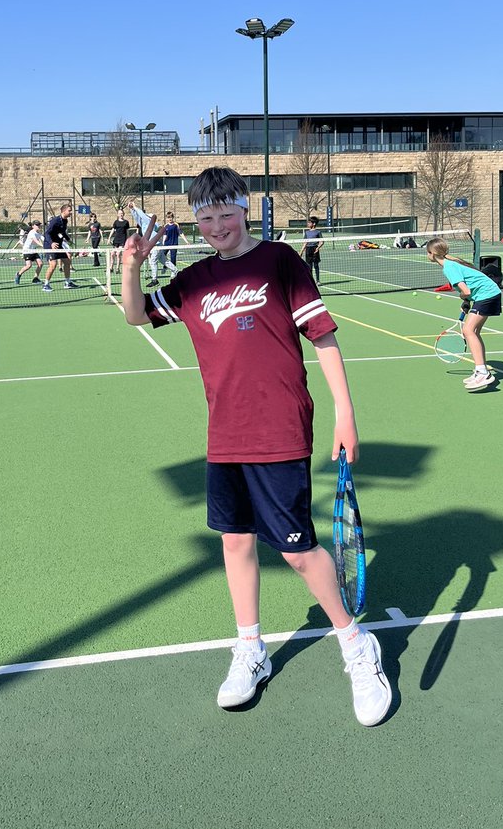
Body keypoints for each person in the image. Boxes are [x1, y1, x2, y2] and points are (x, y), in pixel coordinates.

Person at [120, 167, 391, 726]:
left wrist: (345, 413)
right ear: (194, 221)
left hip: (281, 427)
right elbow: (135, 314)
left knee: (297, 551)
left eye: (226, 213)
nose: (217, 226)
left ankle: (356, 643)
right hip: (225, 433)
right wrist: (131, 266)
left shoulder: (279, 261)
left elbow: (324, 337)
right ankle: (251, 649)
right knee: (236, 542)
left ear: (245, 210)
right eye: (205, 217)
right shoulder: (193, 281)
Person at [426, 236, 501, 390]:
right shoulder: (451, 264)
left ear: (432, 253)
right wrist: (467, 302)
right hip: (488, 293)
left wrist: (463, 297)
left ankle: (483, 373)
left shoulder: (449, 267)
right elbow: (469, 287)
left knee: (468, 330)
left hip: (487, 295)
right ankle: (480, 370)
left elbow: (466, 291)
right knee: (474, 331)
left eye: (427, 252)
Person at [126, 199, 161, 288]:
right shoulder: (144, 224)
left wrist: (135, 207)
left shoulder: (150, 222)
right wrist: (131, 209)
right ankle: (175, 271)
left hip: (155, 245)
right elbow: (137, 218)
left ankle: (154, 280)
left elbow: (142, 215)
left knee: (152, 261)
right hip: (150, 245)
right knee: (164, 261)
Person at [43, 204, 77, 291]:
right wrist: (51, 243)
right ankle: (46, 285)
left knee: (67, 262)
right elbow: (47, 233)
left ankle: (67, 282)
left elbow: (63, 232)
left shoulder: (65, 221)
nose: (71, 212)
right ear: (64, 211)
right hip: (50, 245)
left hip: (59, 245)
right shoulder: (55, 221)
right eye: (69, 210)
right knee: (53, 265)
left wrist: (69, 240)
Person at [15, 220, 45, 284]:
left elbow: (43, 239)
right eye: (37, 225)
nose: (38, 226)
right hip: (27, 251)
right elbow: (36, 241)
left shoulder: (38, 233)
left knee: (40, 264)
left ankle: (35, 279)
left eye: (39, 224)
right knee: (29, 265)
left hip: (33, 250)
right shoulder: (31, 233)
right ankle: (18, 274)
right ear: (33, 226)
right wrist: (43, 245)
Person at [160, 211, 189, 278]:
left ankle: (173, 271)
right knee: (162, 256)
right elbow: (164, 235)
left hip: (174, 244)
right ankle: (165, 267)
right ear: (166, 218)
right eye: (168, 217)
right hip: (166, 244)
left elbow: (180, 233)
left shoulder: (176, 225)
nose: (170, 219)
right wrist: (163, 243)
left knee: (173, 258)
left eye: (171, 217)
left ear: (173, 217)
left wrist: (186, 241)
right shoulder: (165, 226)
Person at [300, 215, 324, 284]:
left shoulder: (318, 232)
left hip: (315, 249)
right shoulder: (306, 232)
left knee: (316, 265)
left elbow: (322, 242)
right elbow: (305, 243)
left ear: (314, 224)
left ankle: (318, 281)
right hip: (308, 250)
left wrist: (318, 248)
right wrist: (301, 252)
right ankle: (311, 281)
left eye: (309, 222)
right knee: (309, 266)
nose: (308, 224)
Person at [108, 207, 130, 275]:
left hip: (123, 240)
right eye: (120, 213)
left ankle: (117, 268)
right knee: (112, 254)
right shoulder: (116, 222)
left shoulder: (126, 222)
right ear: (118, 214)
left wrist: (128, 240)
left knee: (118, 254)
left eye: (122, 213)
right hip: (116, 240)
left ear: (124, 214)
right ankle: (111, 267)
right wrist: (109, 238)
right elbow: (113, 230)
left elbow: (127, 232)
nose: (121, 214)